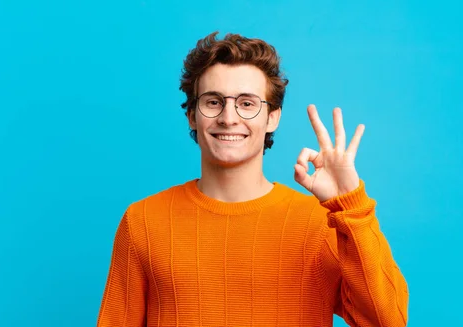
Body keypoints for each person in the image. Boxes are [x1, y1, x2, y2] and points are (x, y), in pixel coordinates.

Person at [96, 31, 409, 327]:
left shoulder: (322, 223)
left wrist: (351, 206)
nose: (229, 117)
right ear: (192, 115)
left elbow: (388, 321)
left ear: (272, 117)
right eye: (213, 102)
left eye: (247, 103)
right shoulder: (143, 222)